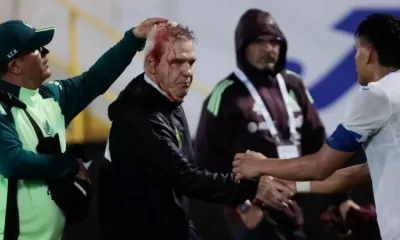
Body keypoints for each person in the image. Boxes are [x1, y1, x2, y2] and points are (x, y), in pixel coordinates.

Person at [99, 22, 290, 240]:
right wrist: (251, 187)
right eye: (177, 62)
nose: (188, 72)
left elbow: (178, 180)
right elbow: (184, 177)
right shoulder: (140, 114)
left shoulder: (166, 98)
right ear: (152, 65)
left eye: (191, 62)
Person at [232, 13, 400, 240]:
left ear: (368, 52)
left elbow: (320, 165)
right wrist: (294, 185)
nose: (355, 59)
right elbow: (359, 173)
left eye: (356, 51)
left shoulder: (377, 96)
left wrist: (262, 165)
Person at [0, 17, 167, 240]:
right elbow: (12, 161)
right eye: (36, 48)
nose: (46, 51)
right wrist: (68, 164)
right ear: (15, 65)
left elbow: (93, 80)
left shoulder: (51, 97)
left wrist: (133, 39)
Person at [193, 8, 331, 240]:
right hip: (251, 214)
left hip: (294, 209)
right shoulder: (225, 94)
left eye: (274, 42)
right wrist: (243, 205)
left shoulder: (294, 86)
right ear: (242, 46)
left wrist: (342, 200)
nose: (268, 49)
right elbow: (206, 161)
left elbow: (317, 143)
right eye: (259, 42)